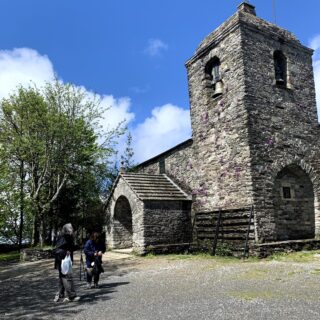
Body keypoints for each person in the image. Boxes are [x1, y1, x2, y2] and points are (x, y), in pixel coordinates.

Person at [53, 223, 80, 302]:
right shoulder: (64, 237)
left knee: (62, 277)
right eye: (71, 228)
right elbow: (57, 250)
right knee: (67, 278)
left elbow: (69, 247)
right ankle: (72, 296)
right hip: (63, 261)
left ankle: (60, 295)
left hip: (64, 261)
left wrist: (76, 247)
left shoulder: (68, 237)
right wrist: (66, 252)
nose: (73, 230)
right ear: (67, 230)